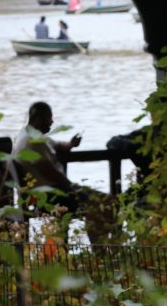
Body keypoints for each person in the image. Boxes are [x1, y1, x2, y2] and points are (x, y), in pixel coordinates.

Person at [11, 102, 112, 243]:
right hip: (51, 195)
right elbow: (50, 172)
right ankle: (102, 250)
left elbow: (56, 145)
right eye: (49, 118)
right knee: (102, 203)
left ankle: (101, 249)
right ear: (38, 119)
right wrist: (74, 187)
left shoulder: (26, 134)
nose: (52, 121)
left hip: (40, 195)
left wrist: (70, 145)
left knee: (102, 200)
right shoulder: (34, 140)